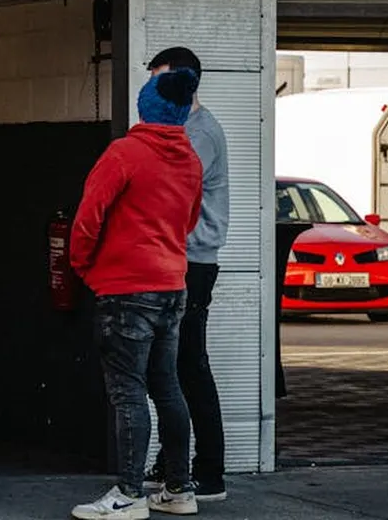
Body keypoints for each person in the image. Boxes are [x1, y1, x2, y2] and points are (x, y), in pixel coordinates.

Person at [69, 69, 204, 520]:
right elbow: (188, 221)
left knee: (128, 392)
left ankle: (129, 494)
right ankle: (179, 489)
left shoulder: (125, 153)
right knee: (167, 386)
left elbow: (88, 215)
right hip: (172, 285)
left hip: (126, 288)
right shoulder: (189, 160)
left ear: (146, 105)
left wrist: (83, 265)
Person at [144, 47, 230, 503]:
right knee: (173, 365)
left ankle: (210, 472)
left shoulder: (200, 134)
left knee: (190, 364)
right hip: (182, 256)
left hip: (192, 260)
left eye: (159, 77)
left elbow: (174, 193)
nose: (153, 87)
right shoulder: (185, 128)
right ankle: (173, 463)